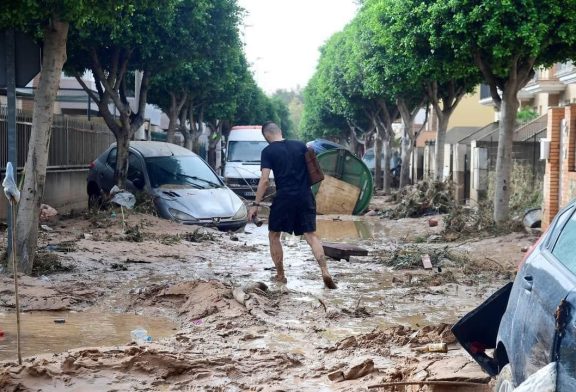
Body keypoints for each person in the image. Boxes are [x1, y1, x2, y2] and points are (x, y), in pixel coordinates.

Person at [248, 122, 337, 289]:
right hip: (305, 195)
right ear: (280, 132)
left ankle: (281, 276)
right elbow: (313, 170)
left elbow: (265, 180)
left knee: (274, 235)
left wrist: (255, 204)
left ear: (266, 136)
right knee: (311, 236)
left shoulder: (268, 151)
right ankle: (325, 271)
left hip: (284, 198)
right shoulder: (300, 145)